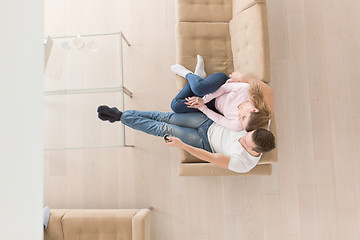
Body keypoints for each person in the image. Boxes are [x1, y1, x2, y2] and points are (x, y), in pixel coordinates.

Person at [97, 106, 275, 173]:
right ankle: (121, 115)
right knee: (165, 117)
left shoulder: (243, 164)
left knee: (163, 128)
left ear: (255, 151)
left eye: (245, 143)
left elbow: (210, 158)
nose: (242, 139)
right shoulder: (258, 129)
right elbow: (261, 111)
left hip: (204, 142)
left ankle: (120, 116)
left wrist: (182, 145)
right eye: (246, 135)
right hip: (209, 122)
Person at [170, 56, 274, 132]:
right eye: (243, 117)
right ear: (254, 110)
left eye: (241, 121)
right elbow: (224, 88)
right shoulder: (246, 90)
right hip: (220, 84)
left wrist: (202, 106)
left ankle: (198, 77)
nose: (239, 117)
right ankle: (187, 74)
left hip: (213, 105)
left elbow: (219, 119)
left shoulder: (238, 125)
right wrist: (204, 100)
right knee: (198, 89)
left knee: (175, 106)